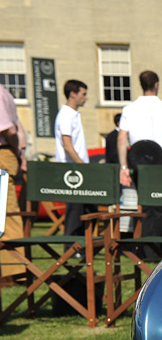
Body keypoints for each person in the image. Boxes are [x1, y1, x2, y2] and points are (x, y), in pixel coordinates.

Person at [117, 70, 162, 236]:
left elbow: (121, 139)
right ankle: (155, 248)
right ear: (156, 84)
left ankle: (144, 248)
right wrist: (161, 160)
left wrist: (123, 166)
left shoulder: (129, 109)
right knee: (159, 206)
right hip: (159, 162)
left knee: (144, 203)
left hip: (138, 162)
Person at [54, 80, 91, 237]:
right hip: (72, 171)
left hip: (77, 169)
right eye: (83, 94)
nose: (86, 98)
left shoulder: (73, 115)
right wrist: (82, 166)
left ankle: (83, 247)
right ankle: (72, 249)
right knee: (75, 212)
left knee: (87, 209)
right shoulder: (66, 115)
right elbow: (67, 145)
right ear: (72, 94)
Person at [1, 82, 28, 279]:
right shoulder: (5, 93)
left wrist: (17, 149)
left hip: (2, 153)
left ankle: (14, 272)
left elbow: (9, 130)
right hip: (6, 153)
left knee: (7, 215)